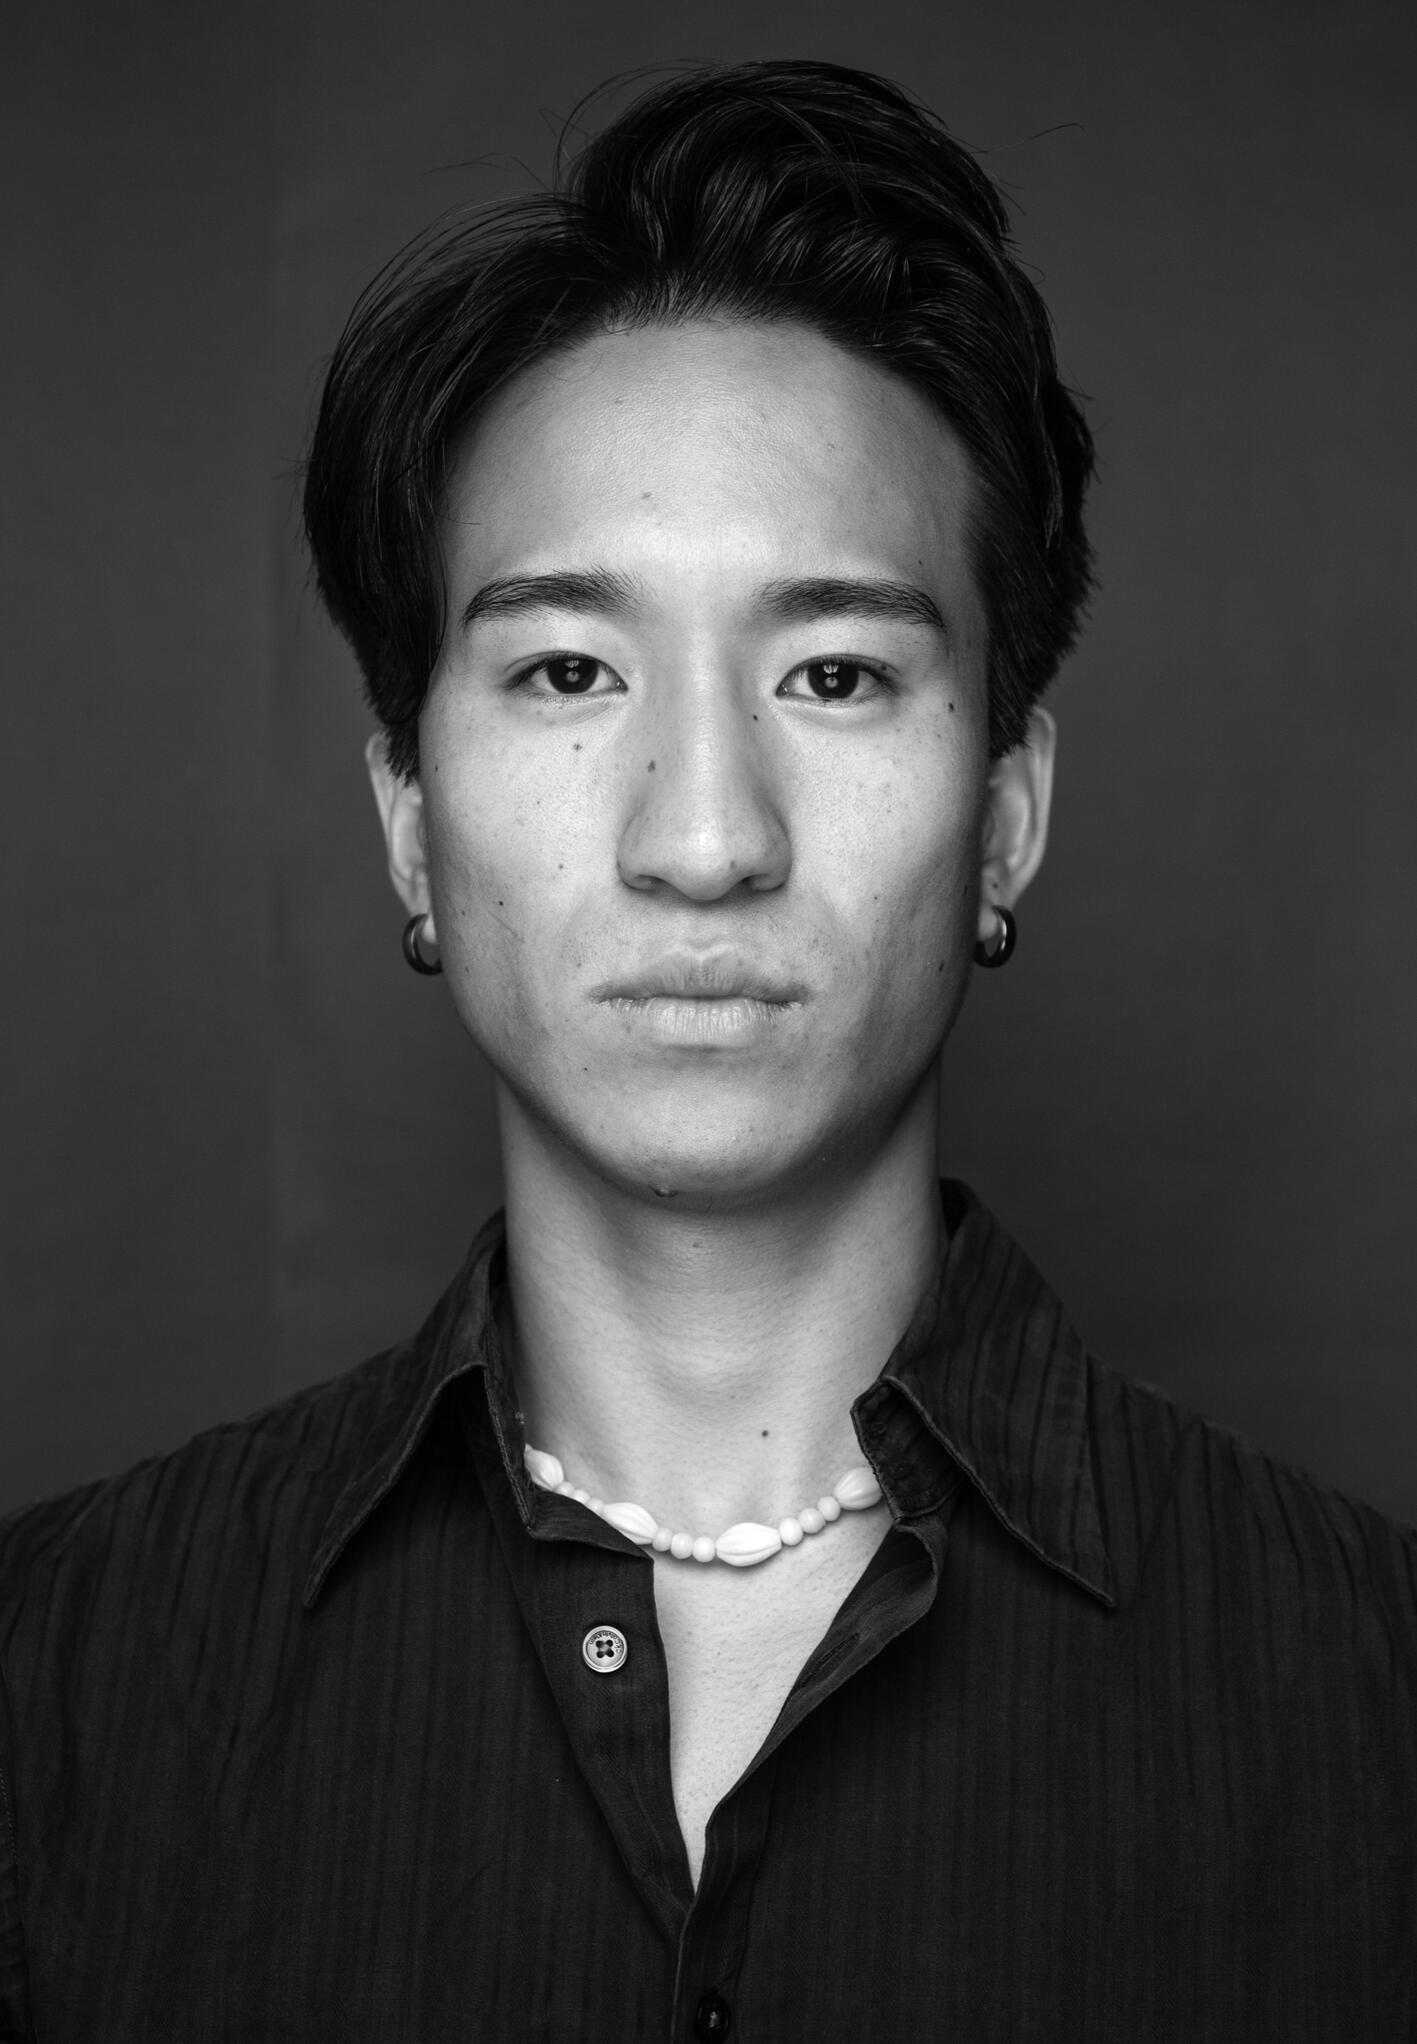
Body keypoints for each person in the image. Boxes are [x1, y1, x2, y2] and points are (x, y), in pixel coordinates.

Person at [1, 58, 1413, 2043]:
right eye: (567, 668)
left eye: (832, 672)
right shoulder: (60, 1678)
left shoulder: (1367, 1700)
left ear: (1005, 812)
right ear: (409, 817)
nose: (702, 837)